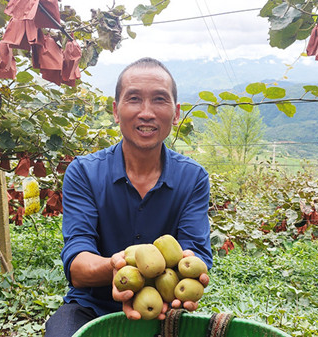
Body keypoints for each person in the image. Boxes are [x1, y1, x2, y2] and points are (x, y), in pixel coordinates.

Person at [44, 57, 212, 337]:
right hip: (92, 305)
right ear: (116, 110)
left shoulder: (193, 178)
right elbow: (77, 264)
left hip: (164, 306)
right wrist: (116, 267)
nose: (146, 113)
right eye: (134, 99)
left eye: (159, 100)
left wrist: (183, 276)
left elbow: (196, 255)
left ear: (176, 112)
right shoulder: (84, 172)